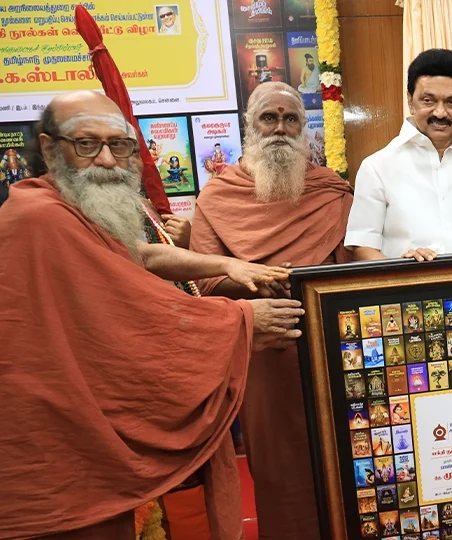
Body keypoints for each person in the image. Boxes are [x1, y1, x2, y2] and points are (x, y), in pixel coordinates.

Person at [0, 90, 305, 539]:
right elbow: (134, 317)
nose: (107, 160)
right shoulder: (39, 218)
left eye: (119, 145)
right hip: (55, 440)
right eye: (87, 144)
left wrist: (228, 265)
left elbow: (138, 254)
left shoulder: (72, 205)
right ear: (49, 148)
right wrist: (240, 321)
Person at [189, 82, 354, 540]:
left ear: (304, 128)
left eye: (290, 118)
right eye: (269, 118)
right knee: (281, 470)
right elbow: (205, 283)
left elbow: (353, 268)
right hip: (263, 353)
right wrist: (257, 284)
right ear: (250, 126)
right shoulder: (218, 196)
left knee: (348, 461)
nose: (280, 128)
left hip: (332, 353)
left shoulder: (330, 191)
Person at [345, 49, 452, 262]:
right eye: (428, 100)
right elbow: (362, 249)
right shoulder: (377, 167)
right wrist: (404, 269)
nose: (440, 113)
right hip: (404, 284)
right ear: (410, 101)